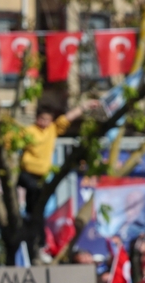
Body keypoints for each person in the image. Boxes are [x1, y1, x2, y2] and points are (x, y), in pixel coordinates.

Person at [17, 101, 96, 258]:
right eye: (42, 119)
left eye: (48, 119)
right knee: (33, 191)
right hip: (27, 174)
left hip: (41, 177)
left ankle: (38, 241)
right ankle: (27, 221)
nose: (45, 123)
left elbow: (67, 118)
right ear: (37, 118)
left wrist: (84, 107)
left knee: (37, 212)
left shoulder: (52, 130)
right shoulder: (29, 131)